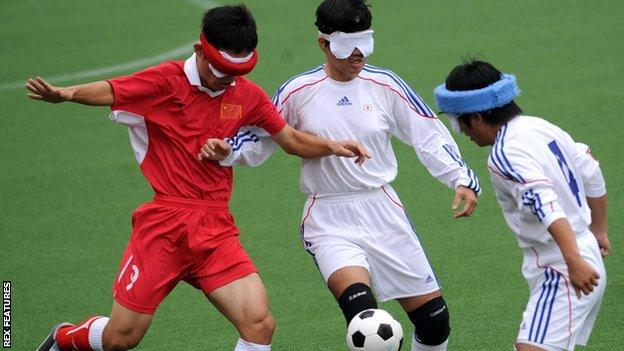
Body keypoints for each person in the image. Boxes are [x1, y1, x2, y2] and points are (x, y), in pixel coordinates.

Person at [27, 5, 370, 351]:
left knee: (259, 323)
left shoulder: (246, 95)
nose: (227, 80)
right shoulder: (164, 81)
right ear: (199, 51)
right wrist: (68, 93)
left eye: (235, 72)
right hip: (164, 226)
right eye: (221, 70)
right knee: (122, 337)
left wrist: (332, 146)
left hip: (215, 230)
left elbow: (291, 139)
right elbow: (113, 90)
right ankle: (64, 337)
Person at [201, 1, 480, 350]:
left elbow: (428, 135)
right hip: (330, 218)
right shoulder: (298, 91)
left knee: (435, 321)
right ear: (323, 44)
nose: (358, 54)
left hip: (382, 210)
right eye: (348, 46)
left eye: (365, 42)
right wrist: (228, 150)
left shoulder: (386, 85)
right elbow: (259, 136)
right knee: (366, 318)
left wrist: (461, 178)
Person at [433, 60, 609, 351]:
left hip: (562, 266)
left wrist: (573, 260)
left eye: (457, 121)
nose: (460, 132)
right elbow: (591, 170)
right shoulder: (540, 126)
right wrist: (599, 231)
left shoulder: (504, 154)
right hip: (581, 250)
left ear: (477, 118)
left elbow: (545, 205)